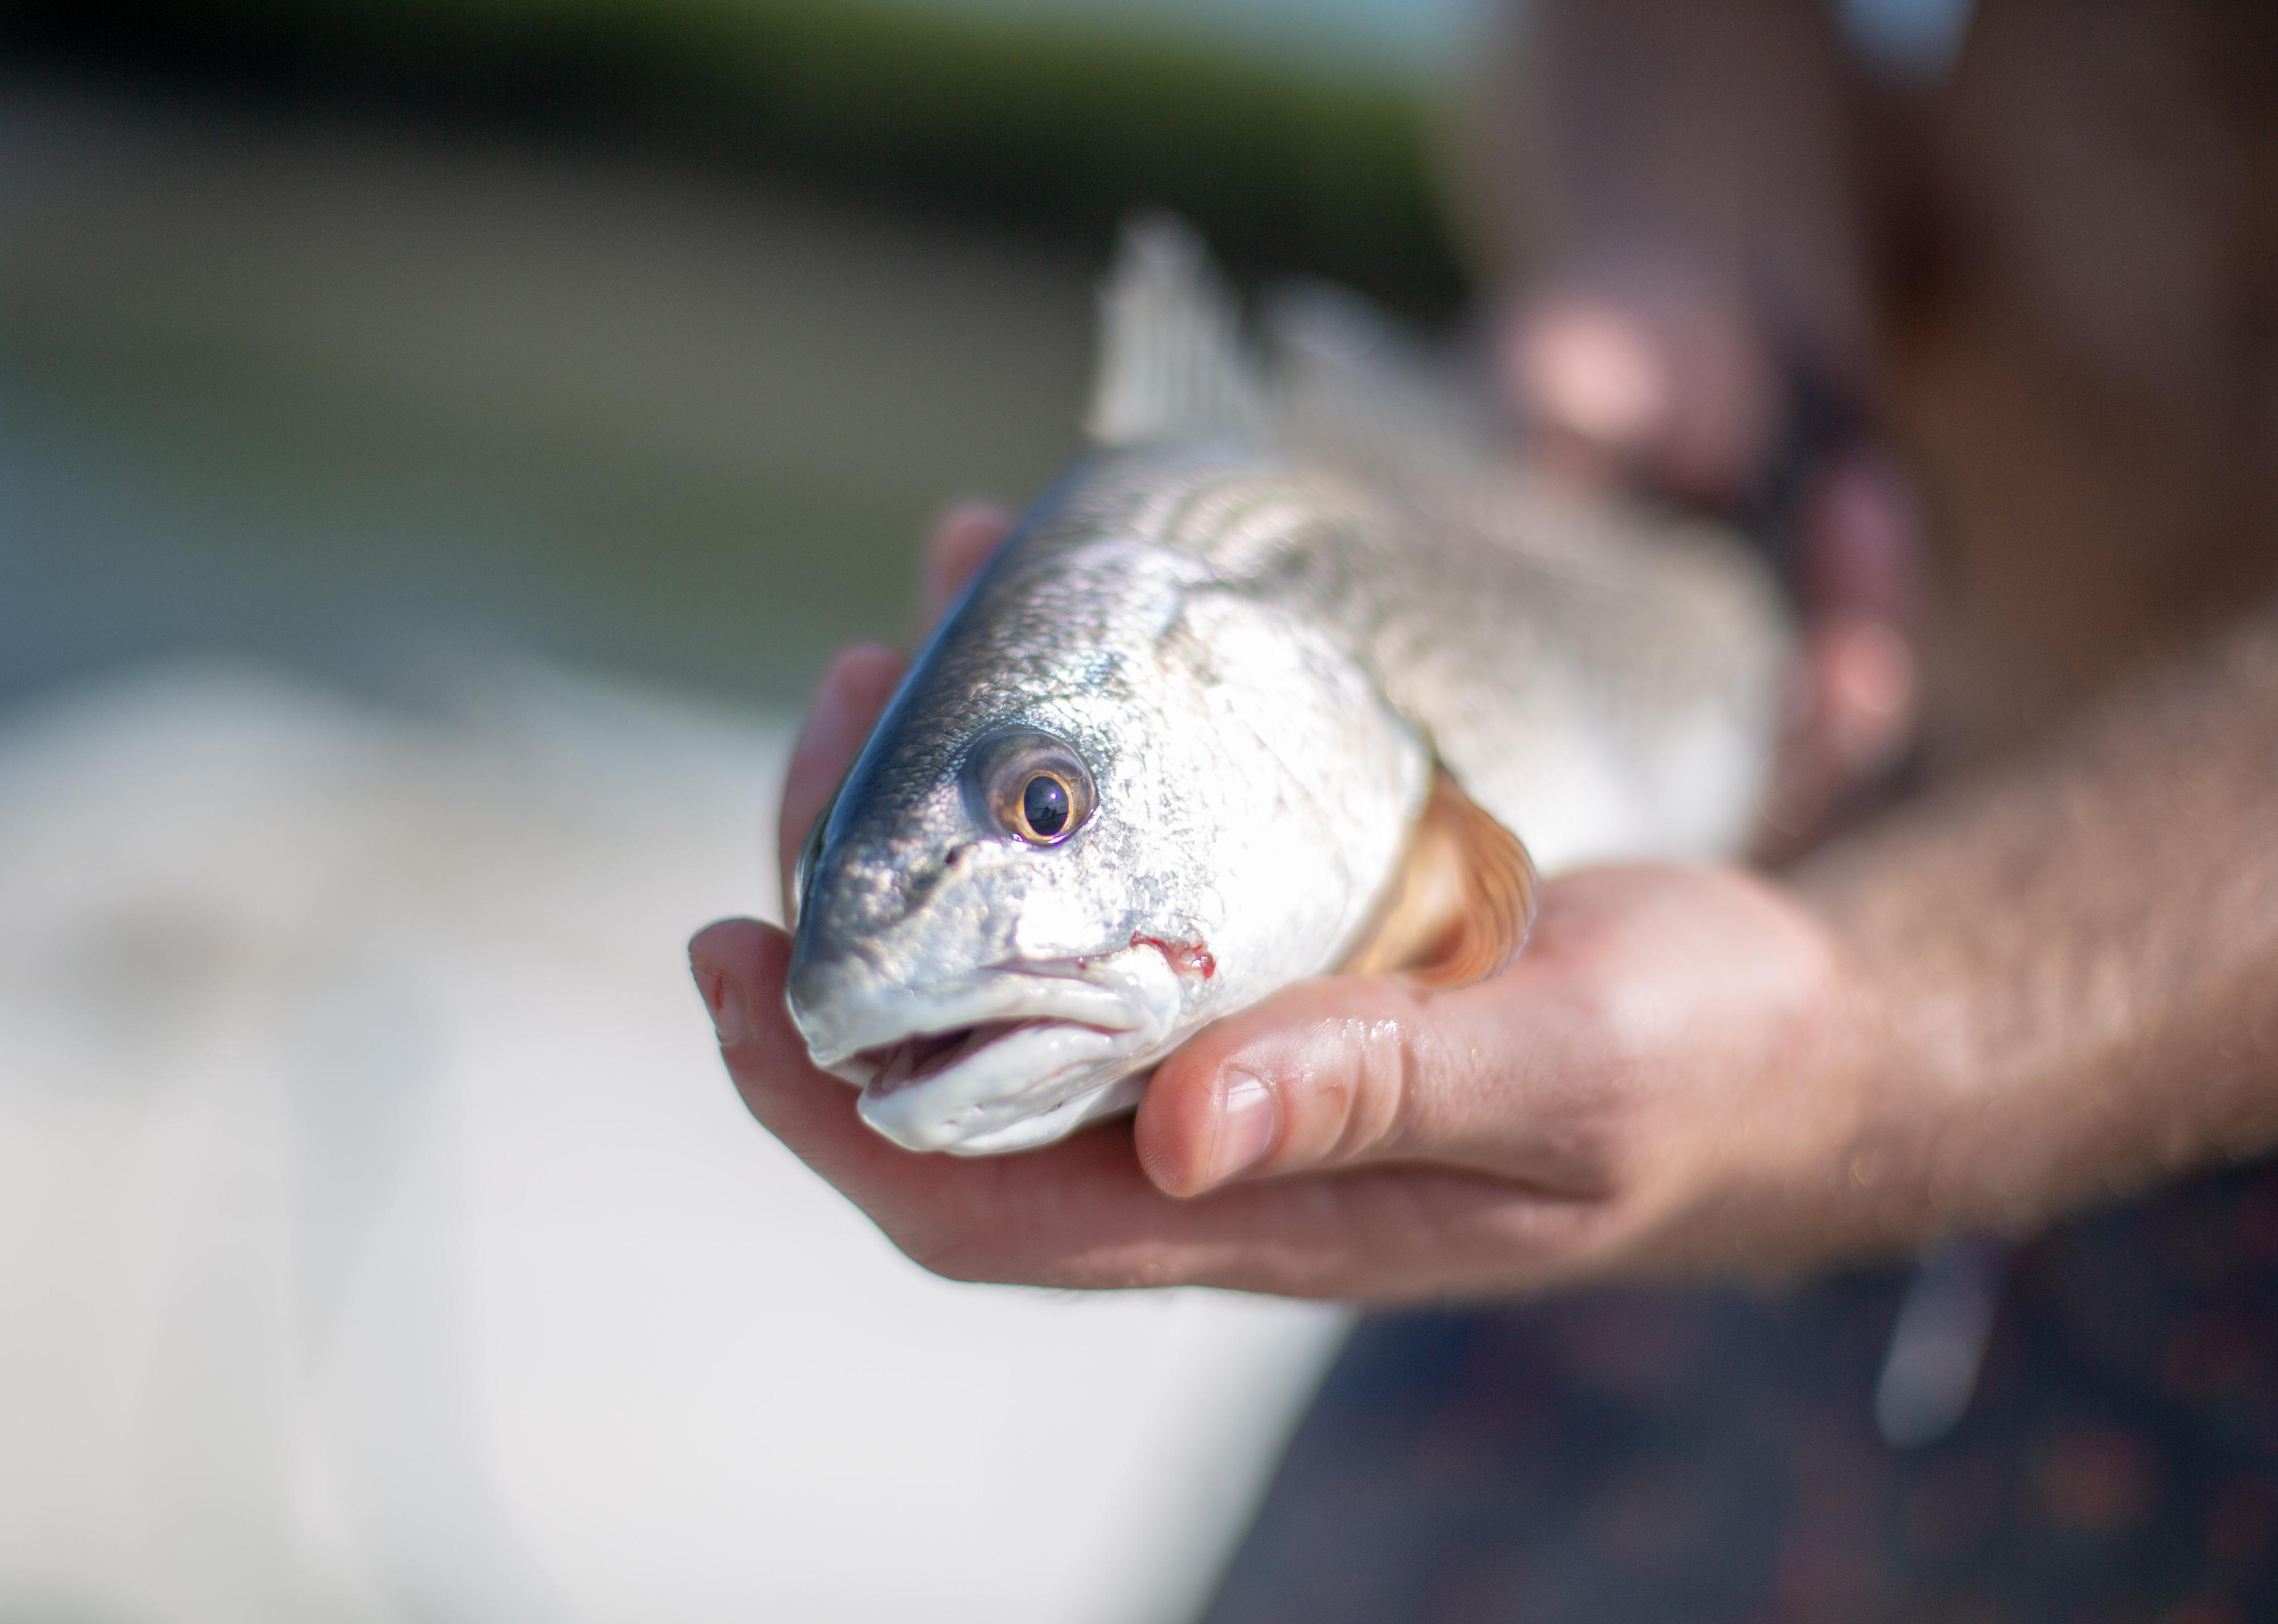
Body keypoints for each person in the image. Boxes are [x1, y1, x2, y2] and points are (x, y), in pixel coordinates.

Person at [691, 0, 2278, 1613]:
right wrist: (1700, 274)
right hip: (1749, 938)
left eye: (1046, 804)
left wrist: (1879, 1037)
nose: (1011, 860)